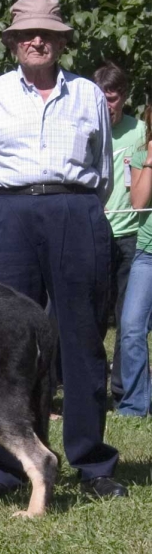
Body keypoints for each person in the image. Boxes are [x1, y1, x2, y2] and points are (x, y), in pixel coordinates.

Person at [0, 0, 126, 500]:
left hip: (76, 212)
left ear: (61, 41)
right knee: (3, 343)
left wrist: (69, 208)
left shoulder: (89, 95)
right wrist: (12, 213)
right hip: (7, 215)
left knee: (81, 340)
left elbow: (101, 171)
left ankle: (92, 464)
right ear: (12, 42)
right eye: (27, 34)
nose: (37, 40)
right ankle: (9, 466)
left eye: (48, 34)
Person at [93, 62, 146, 408]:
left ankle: (123, 389)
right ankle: (92, 389)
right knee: (93, 316)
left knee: (128, 320)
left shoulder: (140, 131)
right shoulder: (85, 127)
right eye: (103, 99)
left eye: (114, 99)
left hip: (130, 235)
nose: (109, 106)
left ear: (123, 98)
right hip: (92, 233)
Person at [118, 107, 152, 416]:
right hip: (146, 254)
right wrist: (151, 159)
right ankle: (134, 405)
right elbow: (138, 204)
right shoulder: (142, 156)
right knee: (130, 327)